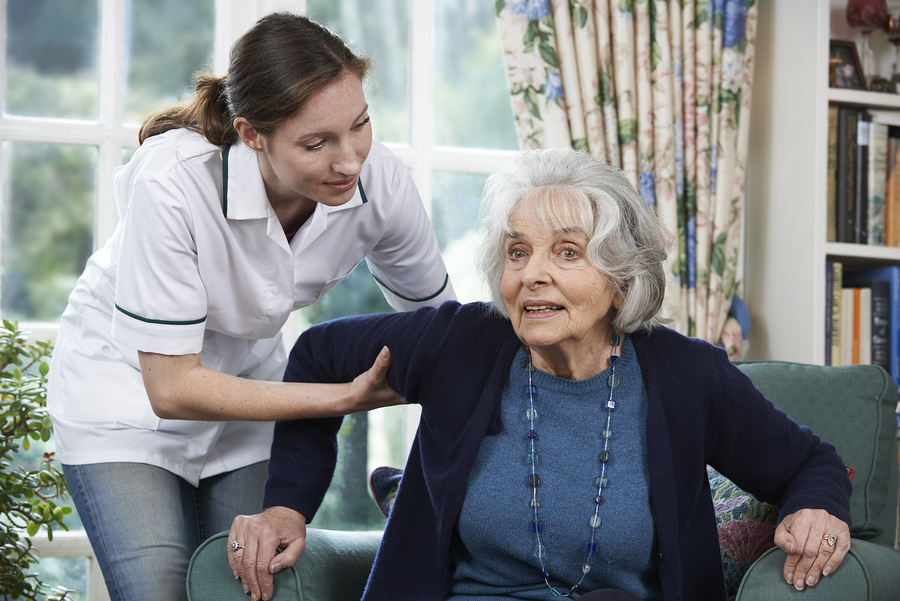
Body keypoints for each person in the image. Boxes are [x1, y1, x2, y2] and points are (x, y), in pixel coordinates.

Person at [230, 147, 852, 601]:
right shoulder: (462, 342)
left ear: (620, 279)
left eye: (567, 252)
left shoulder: (685, 375)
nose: (532, 274)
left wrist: (816, 509)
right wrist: (287, 505)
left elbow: (810, 463)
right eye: (518, 252)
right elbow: (313, 355)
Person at [46, 12, 455, 601]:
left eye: (360, 125)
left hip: (249, 394)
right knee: (159, 591)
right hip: (127, 394)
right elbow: (171, 387)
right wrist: (339, 398)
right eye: (316, 143)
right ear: (252, 133)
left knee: (243, 590)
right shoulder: (172, 180)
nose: (350, 161)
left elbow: (440, 326)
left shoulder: (379, 183)